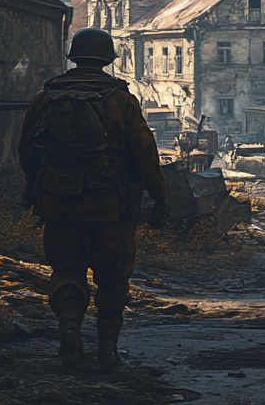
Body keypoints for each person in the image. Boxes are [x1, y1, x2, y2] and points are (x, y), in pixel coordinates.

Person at [19, 28, 170, 368]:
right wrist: (160, 195)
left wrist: (39, 184)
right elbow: (145, 151)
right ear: (107, 60)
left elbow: (27, 151)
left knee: (66, 269)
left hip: (58, 204)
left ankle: (70, 332)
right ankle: (107, 348)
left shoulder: (47, 96)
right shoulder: (120, 99)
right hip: (110, 207)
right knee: (113, 276)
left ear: (74, 57)